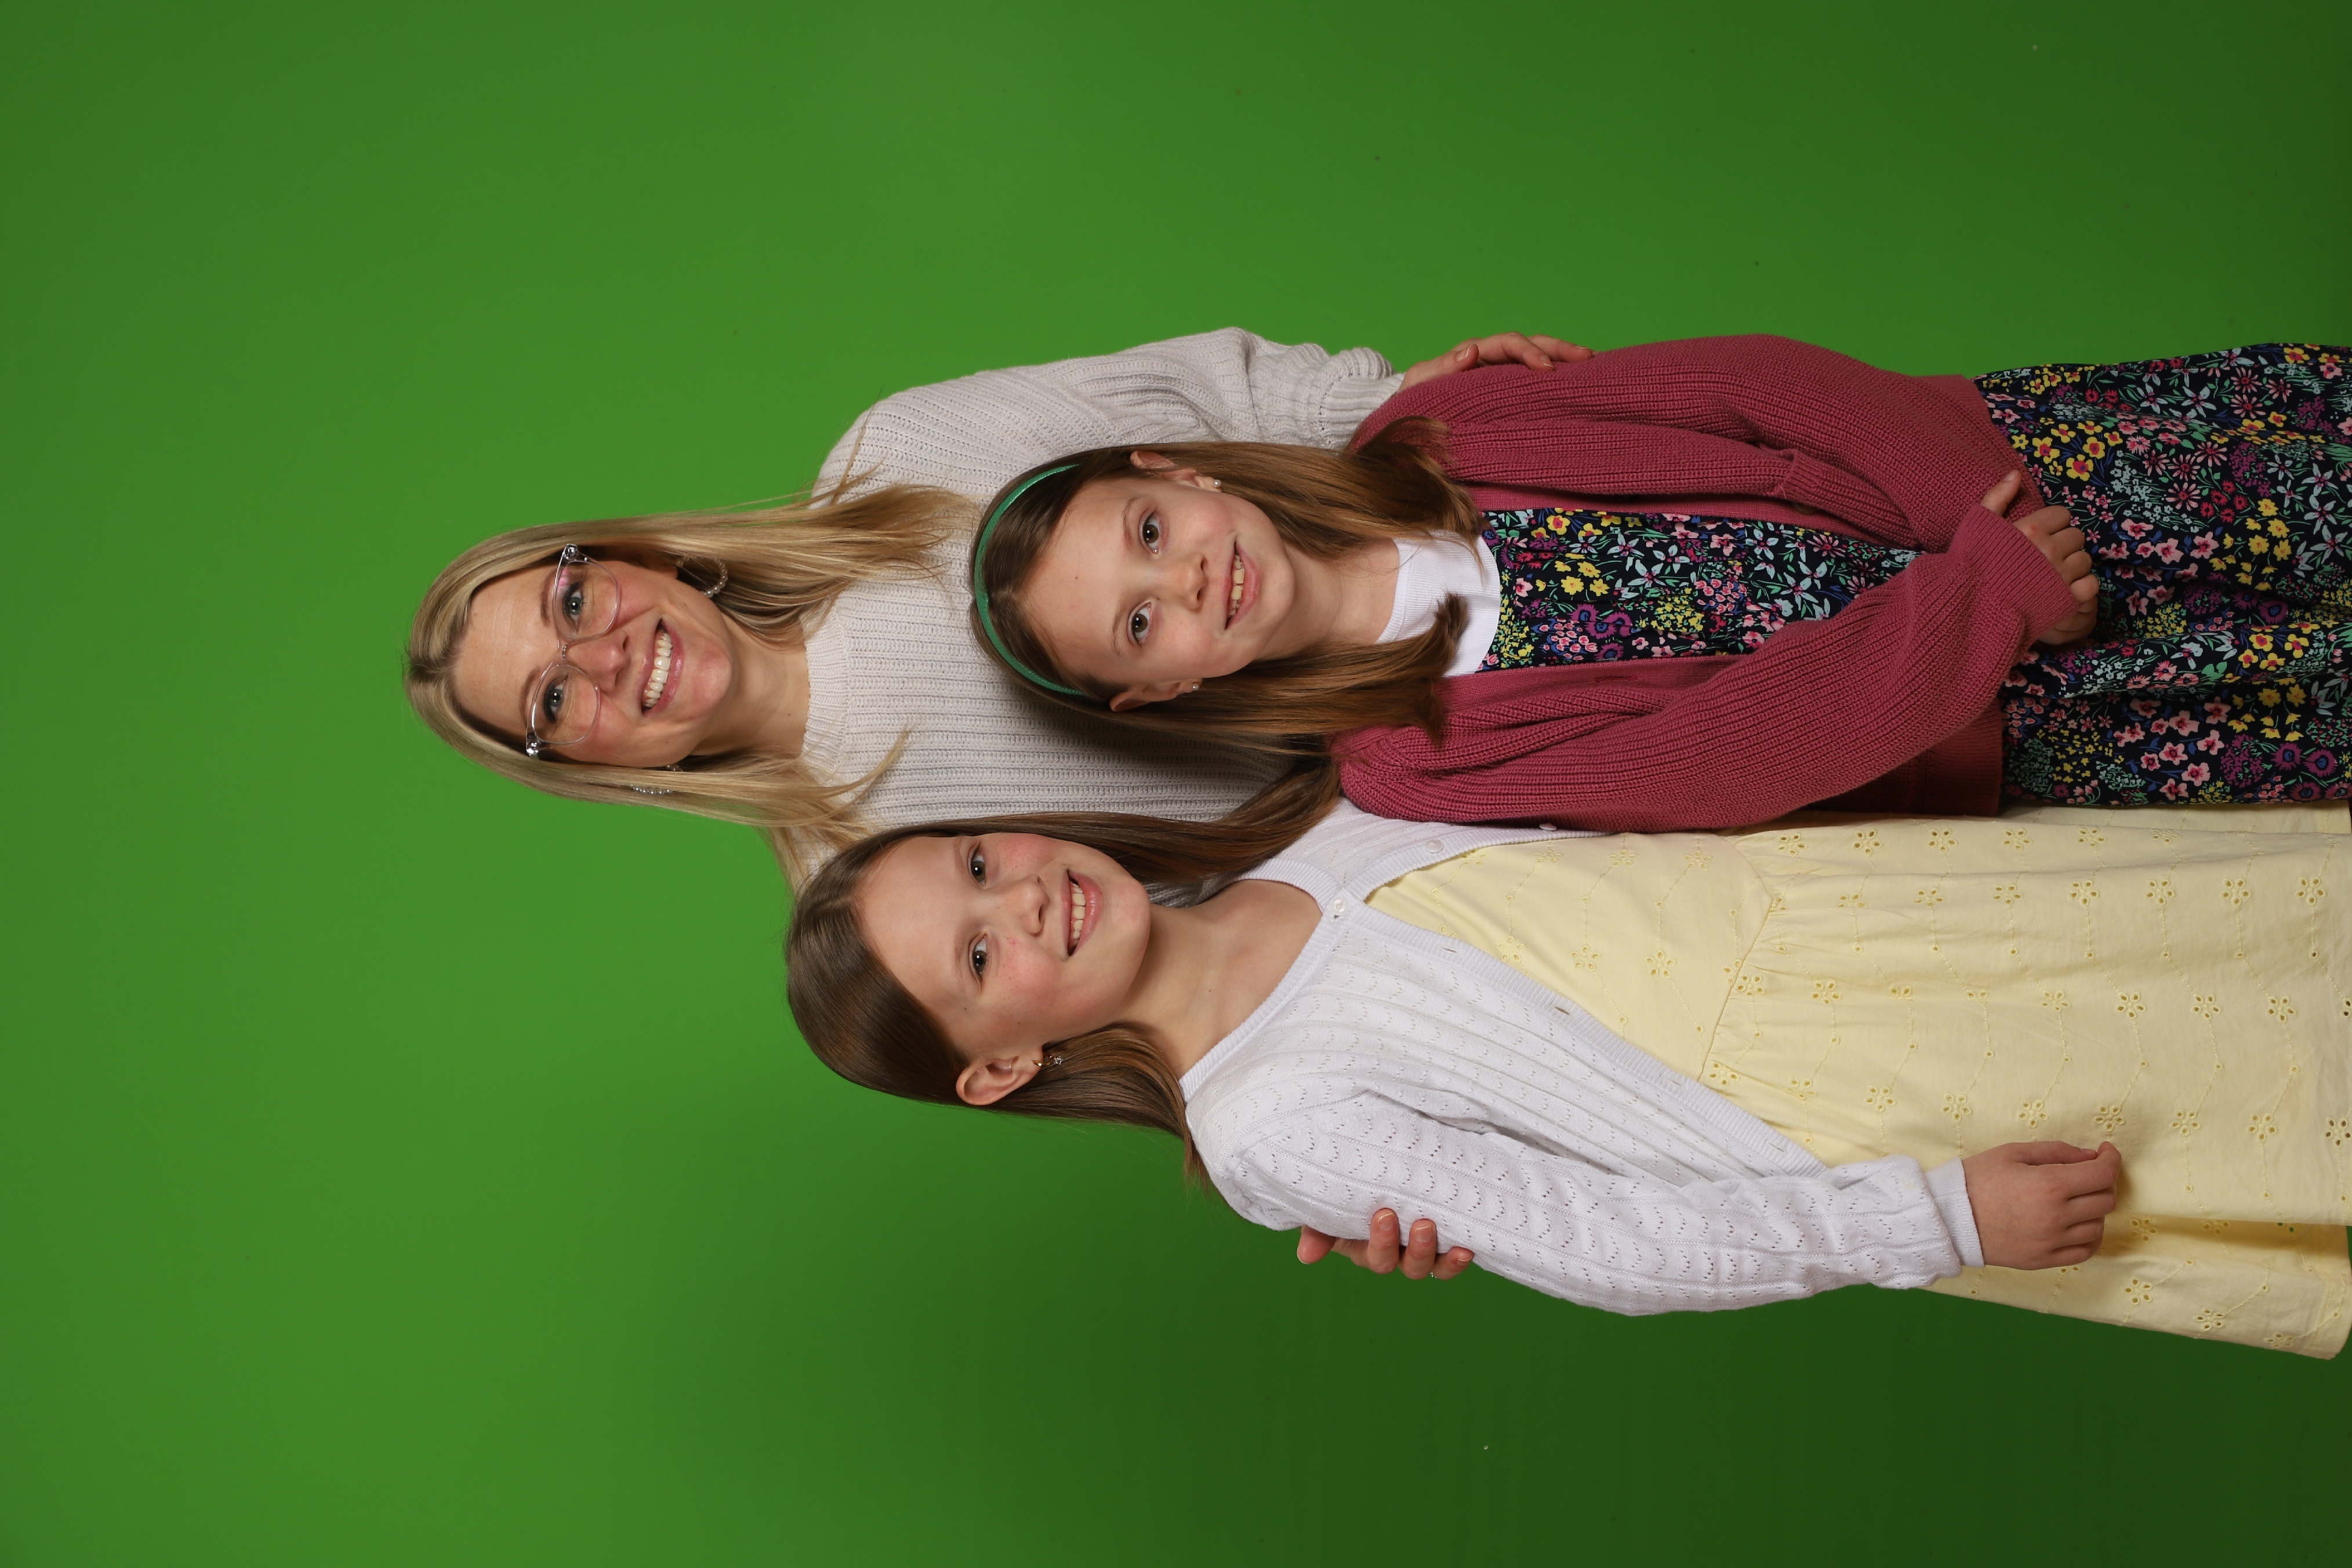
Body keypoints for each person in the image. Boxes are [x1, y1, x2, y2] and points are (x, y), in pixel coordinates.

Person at [786, 794, 2351, 1353]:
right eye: (977, 956)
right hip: (1860, 1098)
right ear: (1002, 1065)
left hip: (1888, 903)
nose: (1023, 899)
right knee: (2270, 1103)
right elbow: (1605, 1239)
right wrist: (1930, 1218)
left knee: (2281, 927)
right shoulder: (1268, 1123)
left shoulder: (1300, 828)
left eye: (978, 860)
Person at [969, 339, 2351, 829]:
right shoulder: (1404, 760)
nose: (1188, 579)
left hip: (2005, 474)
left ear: (1180, 472)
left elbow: (1742, 388)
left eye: (1148, 528)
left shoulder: (1430, 433)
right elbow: (1720, 758)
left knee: (2305, 482)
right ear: (1163, 691)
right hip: (2003, 699)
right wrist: (1987, 603)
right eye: (1139, 622)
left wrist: (1991, 509)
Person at [403, 328, 1582, 879]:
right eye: (552, 699)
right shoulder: (869, 885)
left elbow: (1195, 402)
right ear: (584, 765)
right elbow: (1189, 979)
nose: (603, 655)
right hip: (1492, 811)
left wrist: (1391, 408)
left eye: (572, 599)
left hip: (1470, 543)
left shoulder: (901, 453)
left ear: (627, 558)